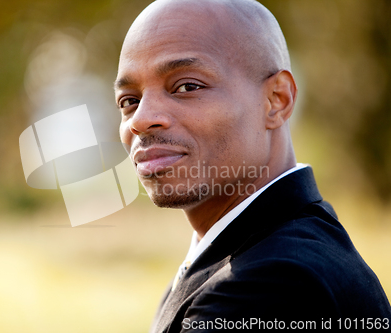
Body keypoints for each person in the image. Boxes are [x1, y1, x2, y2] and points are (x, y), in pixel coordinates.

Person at [114, 0, 391, 331]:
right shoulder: (244, 252)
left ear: (277, 100)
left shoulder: (271, 284)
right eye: (130, 101)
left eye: (187, 86)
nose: (141, 120)